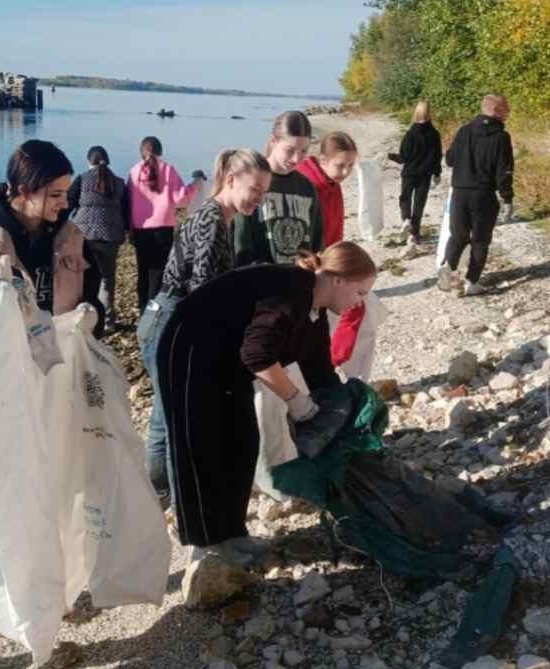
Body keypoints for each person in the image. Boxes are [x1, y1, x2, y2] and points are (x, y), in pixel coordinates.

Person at [156, 242, 376, 605]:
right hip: (191, 350)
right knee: (201, 446)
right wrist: (296, 401)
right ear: (337, 280)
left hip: (228, 360)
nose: (360, 302)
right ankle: (204, 546)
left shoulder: (315, 309)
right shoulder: (291, 294)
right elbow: (258, 355)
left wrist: (343, 415)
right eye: (360, 291)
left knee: (241, 441)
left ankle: (232, 533)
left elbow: (319, 369)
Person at [137, 149, 271, 505]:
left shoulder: (215, 215)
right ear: (230, 179)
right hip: (171, 318)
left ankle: (158, 495)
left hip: (160, 314)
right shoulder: (213, 221)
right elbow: (203, 296)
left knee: (165, 416)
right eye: (255, 189)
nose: (259, 199)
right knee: (176, 419)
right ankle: (176, 500)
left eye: (264, 192)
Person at [0, 139, 87, 316]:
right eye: (55, 195)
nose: (64, 204)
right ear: (24, 191)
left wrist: (92, 315)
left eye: (66, 193)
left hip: (61, 341)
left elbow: (91, 293)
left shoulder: (71, 236)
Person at [438, 94, 514, 296]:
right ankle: (471, 281)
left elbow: (450, 159)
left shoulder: (464, 131)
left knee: (458, 236)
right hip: (484, 195)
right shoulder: (501, 137)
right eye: (506, 108)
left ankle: (451, 274)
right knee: (480, 240)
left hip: (460, 193)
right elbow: (504, 171)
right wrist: (507, 197)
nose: (509, 112)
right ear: (496, 110)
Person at [126, 136, 205, 312]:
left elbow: (128, 201)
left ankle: (142, 306)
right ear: (160, 151)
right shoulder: (168, 170)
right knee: (159, 271)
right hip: (164, 228)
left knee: (143, 268)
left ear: (142, 151)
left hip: (140, 229)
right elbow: (181, 199)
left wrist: (129, 228)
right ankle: (153, 307)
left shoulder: (134, 171)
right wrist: (195, 185)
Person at [234, 111, 323, 265]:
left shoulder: (307, 188)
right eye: (290, 150)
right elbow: (241, 242)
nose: (296, 158)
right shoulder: (252, 182)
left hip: (299, 281)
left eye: (303, 151)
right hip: (260, 280)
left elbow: (317, 242)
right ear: (273, 141)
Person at [68, 146, 128, 330]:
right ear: (107, 160)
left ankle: (83, 317)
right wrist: (126, 231)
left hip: (85, 235)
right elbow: (125, 210)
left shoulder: (82, 179)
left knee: (84, 277)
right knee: (107, 279)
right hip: (110, 236)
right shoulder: (119, 182)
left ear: (89, 161)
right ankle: (108, 320)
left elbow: (68, 203)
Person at [296, 131, 357, 246]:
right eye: (340, 165)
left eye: (350, 165)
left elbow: (336, 227)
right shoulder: (305, 185)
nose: (346, 172)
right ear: (323, 160)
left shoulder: (334, 183)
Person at [396, 101, 442, 246]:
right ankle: (414, 234)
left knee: (405, 198)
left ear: (416, 113)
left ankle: (406, 220)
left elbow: (403, 157)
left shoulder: (410, 134)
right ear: (430, 113)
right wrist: (437, 173)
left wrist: (390, 156)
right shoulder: (434, 134)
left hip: (409, 173)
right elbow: (437, 155)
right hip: (425, 174)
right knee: (419, 203)